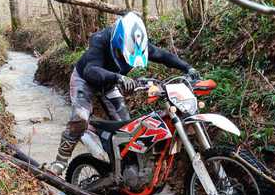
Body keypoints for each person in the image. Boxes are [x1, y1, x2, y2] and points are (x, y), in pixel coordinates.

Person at [51, 11, 196, 175]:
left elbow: (163, 55)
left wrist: (187, 68)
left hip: (110, 83)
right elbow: (90, 70)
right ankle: (60, 161)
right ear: (118, 42)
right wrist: (119, 77)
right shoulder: (100, 40)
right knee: (80, 117)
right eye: (122, 55)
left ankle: (122, 166)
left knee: (126, 126)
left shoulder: (138, 44)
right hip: (84, 80)